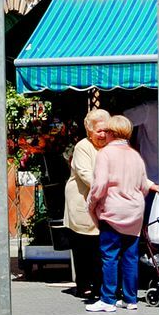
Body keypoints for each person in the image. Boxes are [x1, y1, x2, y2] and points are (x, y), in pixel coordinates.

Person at [86, 114, 153, 313]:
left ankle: (108, 299)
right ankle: (130, 298)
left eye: (106, 131)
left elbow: (99, 185)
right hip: (134, 212)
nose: (103, 134)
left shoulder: (105, 154)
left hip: (112, 211)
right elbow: (143, 185)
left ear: (112, 133)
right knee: (130, 256)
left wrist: (91, 203)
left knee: (109, 256)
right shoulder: (135, 155)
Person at [63, 109, 112, 302]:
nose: (102, 134)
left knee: (101, 245)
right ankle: (84, 284)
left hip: (105, 203)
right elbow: (85, 174)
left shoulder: (111, 146)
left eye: (106, 130)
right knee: (84, 243)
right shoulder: (82, 147)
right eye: (99, 131)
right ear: (89, 132)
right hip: (83, 201)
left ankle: (101, 284)